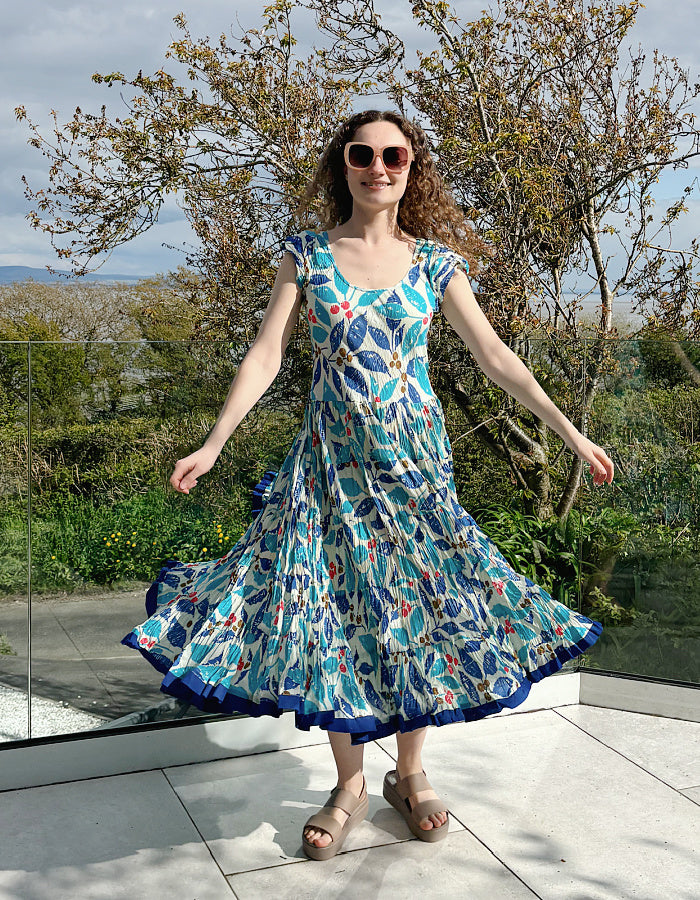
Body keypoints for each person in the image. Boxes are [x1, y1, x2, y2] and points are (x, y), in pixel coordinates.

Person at [121, 109, 614, 862]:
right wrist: (214, 442)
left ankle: (409, 776)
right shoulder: (307, 256)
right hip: (329, 474)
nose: (378, 166)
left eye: (394, 154)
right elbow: (266, 355)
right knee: (335, 619)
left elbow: (494, 356)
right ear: (342, 164)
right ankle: (348, 783)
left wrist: (570, 433)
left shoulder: (435, 263)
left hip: (415, 469)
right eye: (363, 153)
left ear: (412, 168)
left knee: (413, 614)